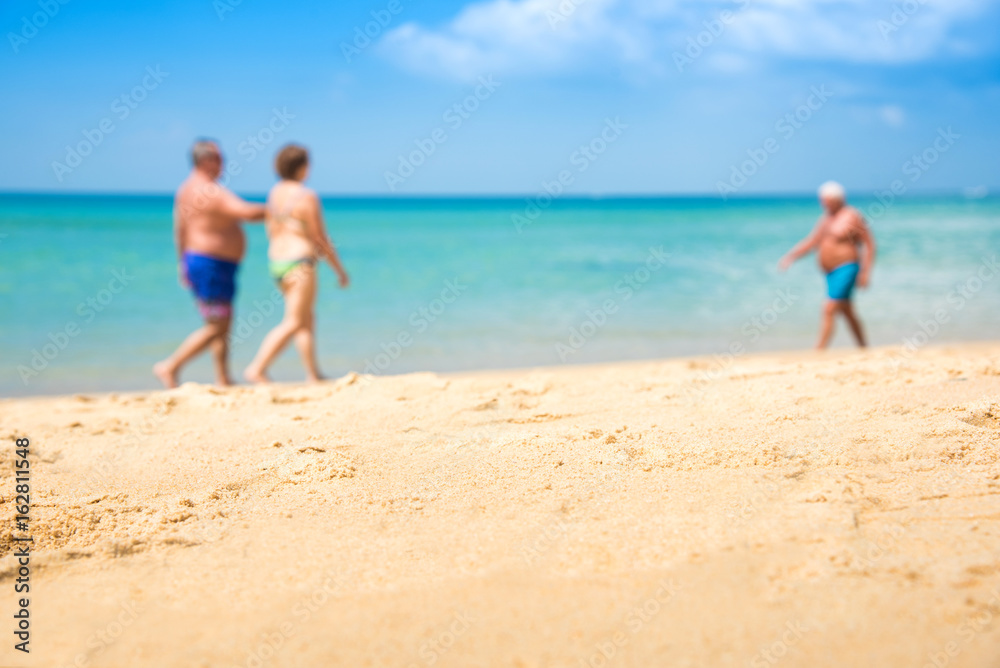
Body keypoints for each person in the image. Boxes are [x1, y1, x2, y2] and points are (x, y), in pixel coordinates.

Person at [153, 140, 266, 388]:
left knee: (220, 323)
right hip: (211, 265)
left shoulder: (185, 189)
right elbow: (245, 212)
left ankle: (222, 377)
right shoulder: (209, 190)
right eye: (220, 157)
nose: (224, 162)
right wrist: (277, 209)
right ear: (206, 161)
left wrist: (182, 262)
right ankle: (170, 366)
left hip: (202, 262)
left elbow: (180, 230)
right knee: (217, 326)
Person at [244, 144, 350, 384]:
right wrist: (339, 270)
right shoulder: (306, 195)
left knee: (305, 318)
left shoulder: (274, 193)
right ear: (302, 166)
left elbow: (271, 229)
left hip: (277, 263)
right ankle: (257, 368)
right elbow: (320, 238)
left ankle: (313, 374)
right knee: (293, 321)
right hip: (300, 262)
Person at [778, 181, 876, 349]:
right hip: (830, 272)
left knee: (829, 308)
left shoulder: (852, 216)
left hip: (847, 267)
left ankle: (819, 350)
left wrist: (866, 272)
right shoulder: (826, 218)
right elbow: (813, 241)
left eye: (826, 200)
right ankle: (864, 348)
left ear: (837, 199)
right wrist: (791, 256)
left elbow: (869, 244)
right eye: (822, 200)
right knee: (846, 311)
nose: (823, 203)